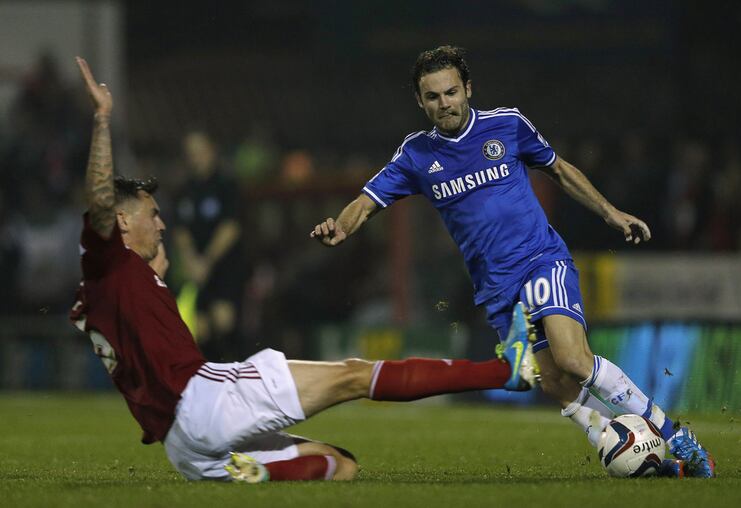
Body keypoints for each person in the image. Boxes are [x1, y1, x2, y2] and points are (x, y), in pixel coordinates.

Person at [70, 57, 536, 483]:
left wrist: (155, 266)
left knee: (340, 466)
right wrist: (103, 118)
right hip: (206, 401)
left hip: (184, 448)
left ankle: (251, 472)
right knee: (354, 376)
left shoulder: (106, 285)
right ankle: (502, 372)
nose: (162, 221)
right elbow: (99, 198)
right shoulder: (107, 256)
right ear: (122, 221)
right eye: (152, 214)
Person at [311, 46, 714, 478]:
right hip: (496, 288)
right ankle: (642, 459)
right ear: (420, 102)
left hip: (540, 260)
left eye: (450, 92)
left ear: (468, 88)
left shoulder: (507, 124)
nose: (444, 103)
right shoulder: (416, 156)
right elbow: (368, 202)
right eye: (433, 97)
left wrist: (610, 213)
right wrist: (342, 226)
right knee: (553, 380)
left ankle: (675, 437)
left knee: (573, 360)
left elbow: (559, 170)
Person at [173, 130, 246, 361]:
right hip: (196, 269)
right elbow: (180, 230)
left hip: (225, 268)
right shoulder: (184, 190)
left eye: (200, 151)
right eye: (191, 153)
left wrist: (207, 261)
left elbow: (231, 227)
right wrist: (191, 261)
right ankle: (208, 382)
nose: (196, 157)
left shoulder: (226, 185)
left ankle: (237, 376)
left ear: (212, 151)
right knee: (199, 328)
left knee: (224, 322)